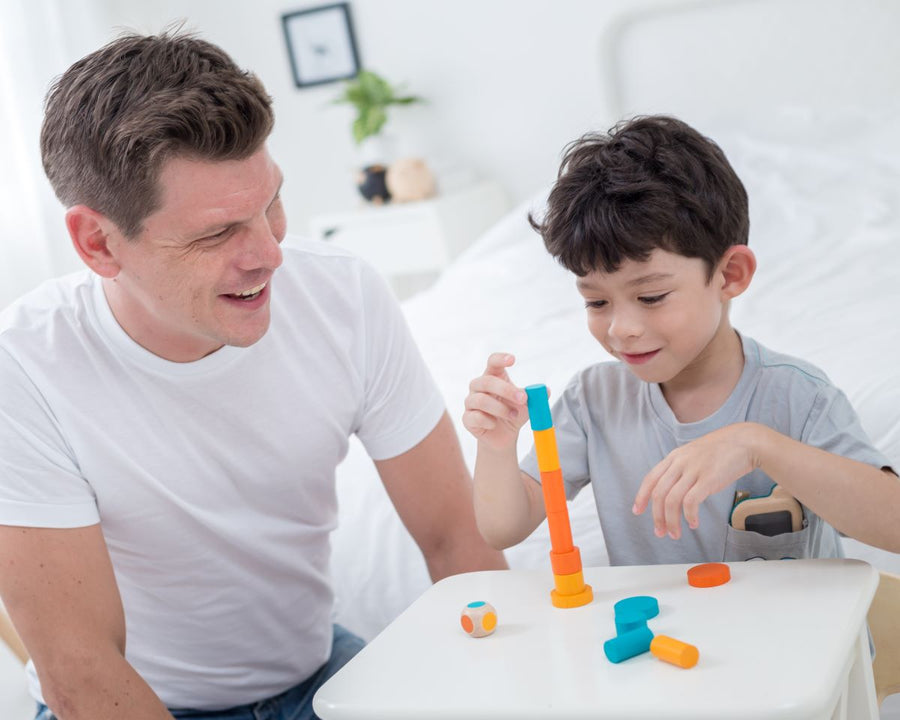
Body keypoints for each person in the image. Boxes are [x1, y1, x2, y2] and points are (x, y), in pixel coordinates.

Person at [0, 31, 506, 720]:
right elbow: (80, 669)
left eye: (270, 204)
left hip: (320, 675)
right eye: (217, 234)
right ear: (98, 242)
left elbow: (457, 539)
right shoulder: (24, 366)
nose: (269, 255)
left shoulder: (345, 298)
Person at [463, 115, 899, 568]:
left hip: (793, 637)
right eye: (596, 302)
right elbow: (503, 529)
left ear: (730, 275)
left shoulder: (799, 397)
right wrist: (496, 448)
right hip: (663, 639)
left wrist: (757, 445)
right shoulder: (593, 402)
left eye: (651, 296)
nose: (621, 328)